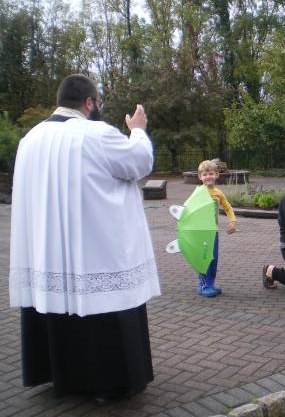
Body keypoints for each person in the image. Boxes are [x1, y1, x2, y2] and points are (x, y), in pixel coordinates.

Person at [9, 74, 161, 403]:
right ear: (89, 103)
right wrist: (137, 129)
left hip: (47, 250)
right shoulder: (96, 134)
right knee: (102, 312)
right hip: (95, 248)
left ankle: (57, 375)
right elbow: (139, 162)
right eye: (98, 102)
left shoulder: (31, 138)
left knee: (58, 304)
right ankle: (110, 384)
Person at [195, 160, 237, 297]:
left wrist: (232, 221)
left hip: (213, 232)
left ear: (217, 174)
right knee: (203, 258)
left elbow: (227, 207)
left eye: (211, 173)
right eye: (205, 174)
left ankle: (210, 284)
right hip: (201, 233)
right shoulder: (198, 192)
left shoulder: (218, 193)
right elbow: (189, 209)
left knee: (213, 259)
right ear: (200, 177)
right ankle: (203, 286)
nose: (208, 177)